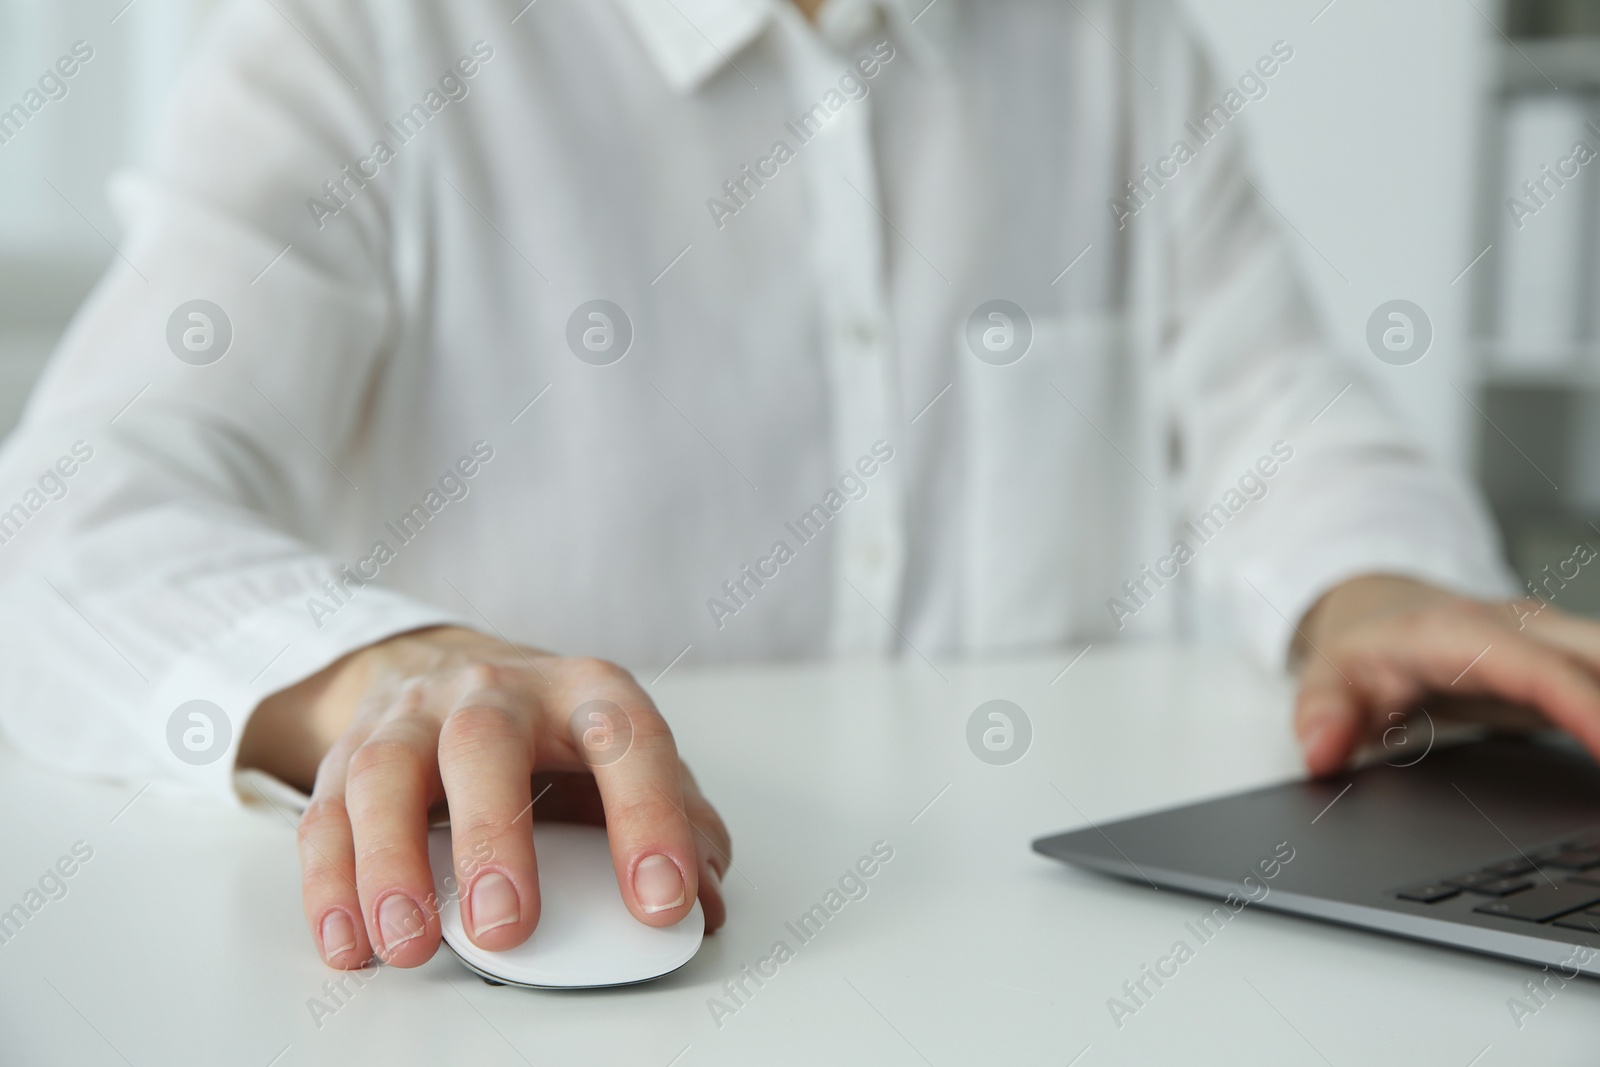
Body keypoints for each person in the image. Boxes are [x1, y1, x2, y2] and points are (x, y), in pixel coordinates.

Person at [1, 0, 1596, 974]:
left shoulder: (1108, 40)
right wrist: (386, 676)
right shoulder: (358, 40)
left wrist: (1364, 577)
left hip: (1016, 962)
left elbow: (1275, 400)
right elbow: (71, 511)